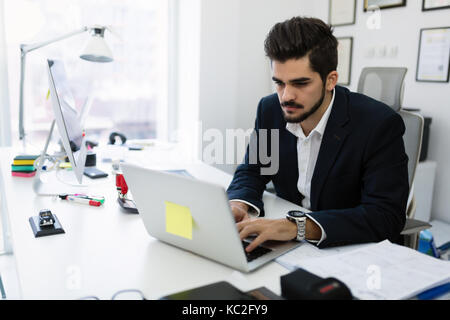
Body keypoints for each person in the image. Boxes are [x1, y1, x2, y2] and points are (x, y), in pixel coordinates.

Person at [226, 16, 409, 252]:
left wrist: (297, 227)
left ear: (330, 80)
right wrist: (239, 204)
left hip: (349, 250)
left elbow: (385, 216)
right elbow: (255, 169)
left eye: (300, 83)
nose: (286, 96)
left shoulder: (379, 124)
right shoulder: (270, 110)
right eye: (279, 83)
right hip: (289, 248)